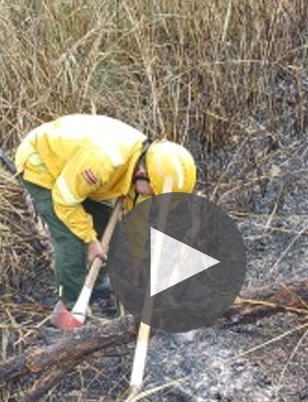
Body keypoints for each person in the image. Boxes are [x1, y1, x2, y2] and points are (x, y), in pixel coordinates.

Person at [14, 114, 197, 328]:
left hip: (77, 170)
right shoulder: (105, 162)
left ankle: (98, 285)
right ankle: (69, 310)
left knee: (107, 225)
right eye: (156, 194)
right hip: (44, 166)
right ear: (142, 173)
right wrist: (90, 241)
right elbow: (64, 201)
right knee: (72, 240)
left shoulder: (144, 160)